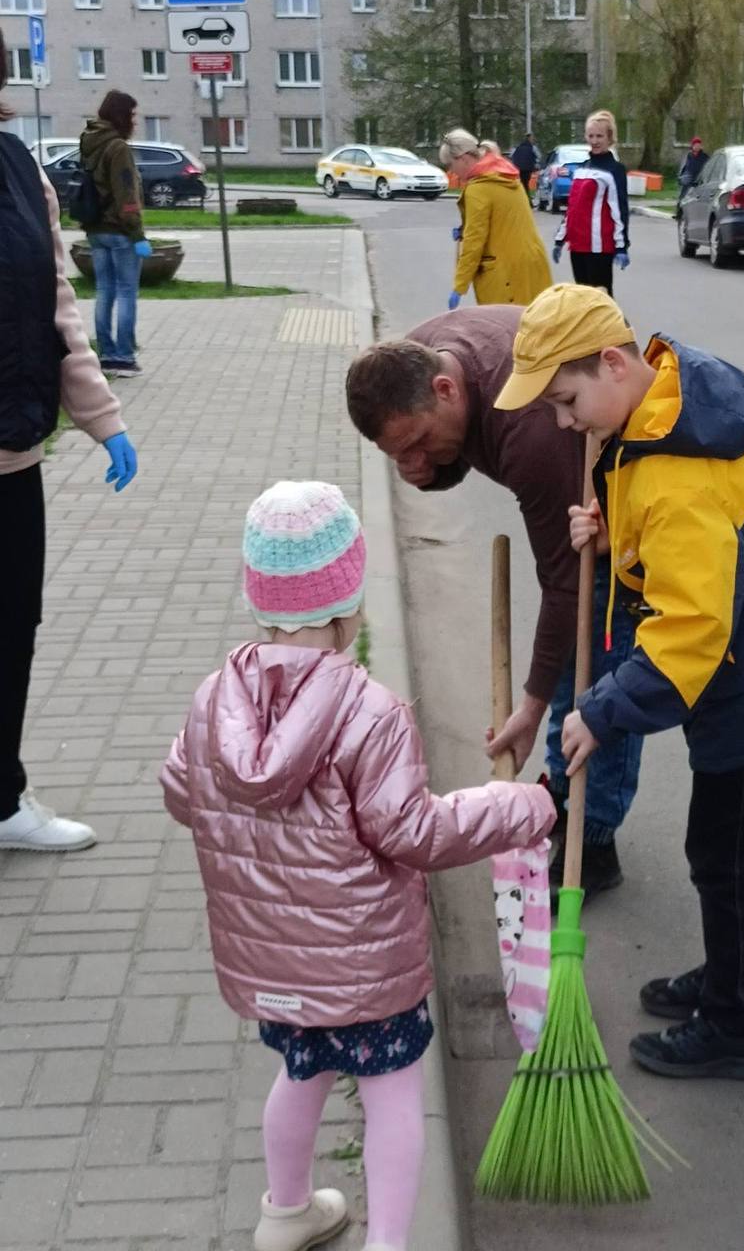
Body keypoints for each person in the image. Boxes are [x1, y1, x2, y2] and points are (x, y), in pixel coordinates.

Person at [493, 284, 744, 1080]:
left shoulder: (677, 476)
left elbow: (692, 627)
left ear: (611, 363)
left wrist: (601, 710)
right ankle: (731, 973)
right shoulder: (671, 402)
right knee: (734, 850)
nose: (566, 424)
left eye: (568, 402)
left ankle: (738, 1021)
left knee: (731, 856)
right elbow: (687, 534)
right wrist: (608, 520)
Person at [159, 480, 554, 1251]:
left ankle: (285, 1211)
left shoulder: (214, 699)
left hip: (272, 958)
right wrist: (521, 808)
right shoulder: (370, 712)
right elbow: (414, 834)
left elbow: (181, 792)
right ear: (348, 604)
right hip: (366, 966)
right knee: (393, 1092)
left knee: (300, 1076)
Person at [345, 310, 643, 902]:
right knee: (563, 663)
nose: (412, 460)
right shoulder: (420, 353)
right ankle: (562, 789)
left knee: (597, 671)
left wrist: (528, 711)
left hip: (617, 508)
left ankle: (596, 832)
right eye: (396, 453)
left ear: (446, 389)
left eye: (418, 443)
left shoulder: (530, 432)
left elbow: (567, 585)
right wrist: (423, 468)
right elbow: (447, 463)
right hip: (564, 484)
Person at [0, 32, 139, 855]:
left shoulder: (19, 169)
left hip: (13, 450)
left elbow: (57, 304)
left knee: (13, 625)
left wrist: (102, 419)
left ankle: (3, 800)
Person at [79, 90, 152, 377]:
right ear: (121, 115)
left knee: (104, 291)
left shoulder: (88, 140)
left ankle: (107, 354)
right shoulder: (118, 147)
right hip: (119, 231)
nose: (134, 120)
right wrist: (138, 235)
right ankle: (123, 356)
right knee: (126, 292)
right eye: (132, 114)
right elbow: (126, 195)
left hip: (95, 229)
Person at [438, 127, 550, 311]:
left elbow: (475, 242)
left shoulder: (478, 189)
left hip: (504, 275)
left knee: (508, 333)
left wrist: (459, 286)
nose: (451, 172)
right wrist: (464, 228)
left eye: (451, 165)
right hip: (532, 264)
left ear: (464, 159)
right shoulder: (506, 175)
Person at [552, 110, 630, 298]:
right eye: (591, 136)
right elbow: (572, 209)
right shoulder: (581, 169)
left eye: (600, 136)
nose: (594, 141)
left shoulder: (615, 170)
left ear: (610, 138)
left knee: (601, 301)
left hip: (599, 247)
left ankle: (618, 328)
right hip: (578, 245)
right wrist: (560, 240)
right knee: (582, 300)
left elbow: (619, 210)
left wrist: (621, 246)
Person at [677, 136, 710, 211]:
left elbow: (708, 167)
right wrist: (681, 176)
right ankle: (679, 211)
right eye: (695, 145)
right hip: (689, 177)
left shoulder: (704, 156)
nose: (697, 147)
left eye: (699, 145)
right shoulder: (689, 155)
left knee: (699, 196)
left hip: (699, 179)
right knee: (683, 194)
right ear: (692, 146)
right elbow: (684, 167)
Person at [509, 132, 540, 200]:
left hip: (518, 169)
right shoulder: (533, 148)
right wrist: (536, 165)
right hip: (528, 169)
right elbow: (538, 157)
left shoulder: (517, 147)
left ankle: (522, 198)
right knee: (525, 183)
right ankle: (526, 199)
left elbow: (511, 156)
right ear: (530, 138)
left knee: (522, 183)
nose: (533, 140)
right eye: (532, 138)